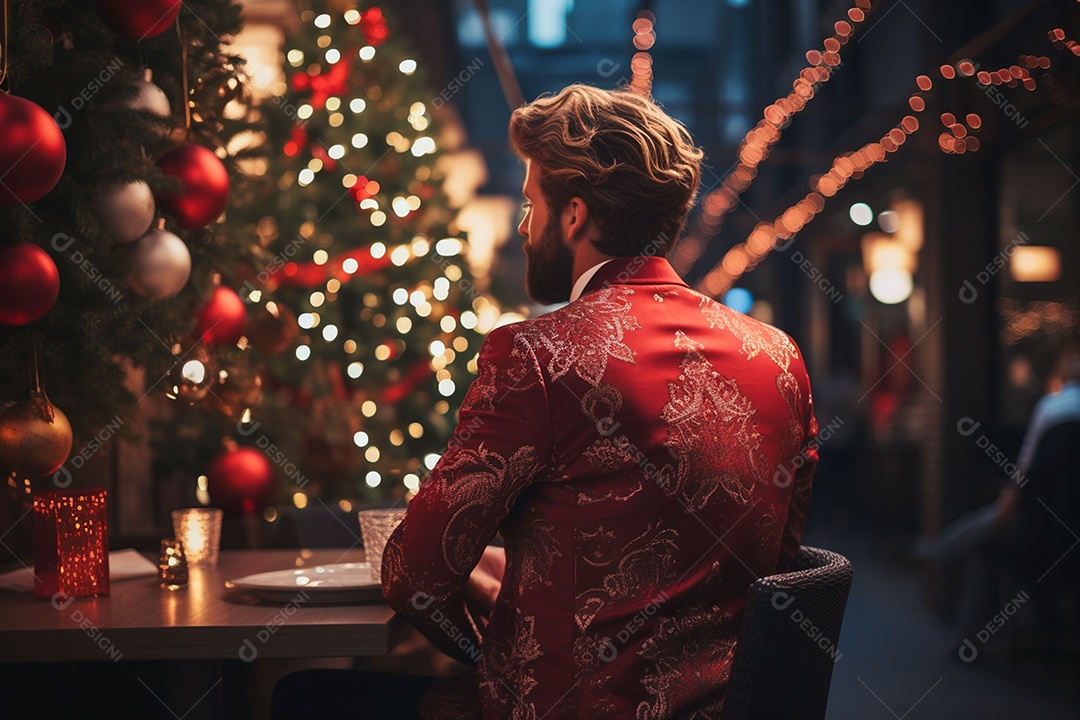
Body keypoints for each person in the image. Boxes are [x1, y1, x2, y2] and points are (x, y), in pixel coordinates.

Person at [274, 84, 818, 719]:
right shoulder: (779, 357)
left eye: (531, 204)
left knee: (305, 697)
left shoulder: (539, 354)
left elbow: (415, 576)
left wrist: (486, 643)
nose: (524, 225)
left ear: (575, 215)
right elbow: (772, 563)